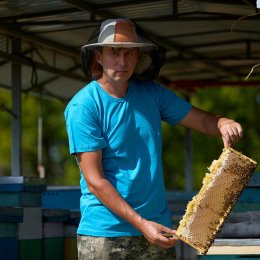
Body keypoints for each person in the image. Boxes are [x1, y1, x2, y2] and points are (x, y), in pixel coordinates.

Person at [64, 18, 243, 260]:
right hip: (106, 235)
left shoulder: (152, 94)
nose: (122, 61)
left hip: (157, 229)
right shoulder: (84, 106)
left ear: (139, 57)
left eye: (130, 54)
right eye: (114, 52)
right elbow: (95, 181)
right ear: (98, 56)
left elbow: (201, 120)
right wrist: (141, 224)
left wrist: (222, 123)